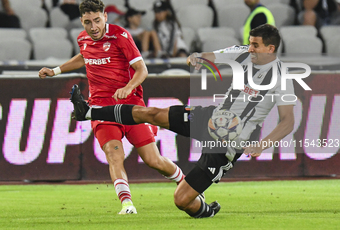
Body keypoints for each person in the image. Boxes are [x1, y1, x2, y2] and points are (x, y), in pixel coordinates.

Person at [70, 24, 296, 218]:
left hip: (229, 142)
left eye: (255, 45)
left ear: (271, 48)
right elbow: (207, 56)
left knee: (181, 200)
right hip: (213, 117)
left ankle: (205, 210)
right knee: (152, 114)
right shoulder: (243, 53)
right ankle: (89, 112)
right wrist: (196, 59)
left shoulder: (282, 77)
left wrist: (262, 145)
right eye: (249, 43)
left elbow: (287, 121)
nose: (250, 48)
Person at [38, 0, 185, 215]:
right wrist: (56, 70)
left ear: (105, 17)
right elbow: (83, 57)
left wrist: (128, 87)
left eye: (97, 20)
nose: (93, 27)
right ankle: (127, 204)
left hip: (130, 106)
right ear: (81, 21)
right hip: (101, 108)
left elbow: (142, 70)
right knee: (114, 154)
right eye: (88, 22)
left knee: (154, 160)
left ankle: (187, 185)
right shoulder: (83, 39)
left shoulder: (120, 36)